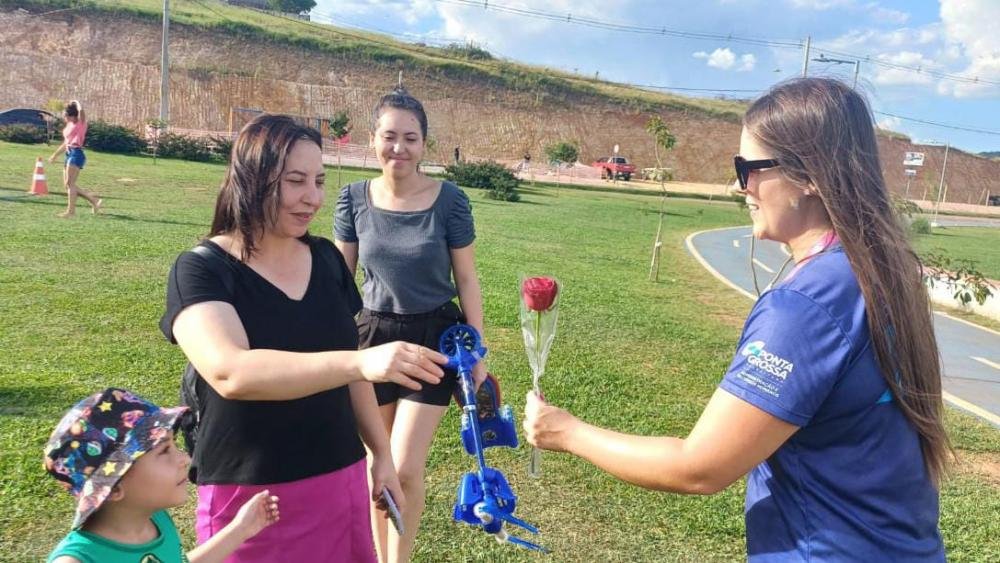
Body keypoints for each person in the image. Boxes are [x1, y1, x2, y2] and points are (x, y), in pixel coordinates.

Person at [523, 78, 949, 561]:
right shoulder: (880, 272)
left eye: (748, 167)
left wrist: (567, 432)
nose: (739, 185)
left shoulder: (805, 305)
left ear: (809, 175)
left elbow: (699, 468)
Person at [160, 114, 447, 562]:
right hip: (252, 496)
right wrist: (358, 364)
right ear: (251, 178)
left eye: (319, 181)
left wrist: (382, 457)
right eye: (295, 181)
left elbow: (350, 364)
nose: (311, 198)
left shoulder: (326, 259)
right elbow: (230, 372)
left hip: (339, 476)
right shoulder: (202, 269)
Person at [334, 87, 486, 563]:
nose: (398, 148)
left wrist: (476, 353)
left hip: (435, 340)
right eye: (389, 136)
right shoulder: (353, 198)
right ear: (373, 139)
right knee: (376, 467)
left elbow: (466, 278)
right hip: (373, 338)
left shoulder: (450, 202)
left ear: (424, 146)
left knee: (403, 466)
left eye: (411, 138)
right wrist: (334, 350)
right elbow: (341, 282)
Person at [45, 387, 280, 563]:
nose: (185, 459)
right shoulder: (79, 560)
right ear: (113, 486)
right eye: (165, 450)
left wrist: (240, 529)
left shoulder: (155, 521)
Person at [48, 100, 101, 217]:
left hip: (76, 153)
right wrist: (55, 155)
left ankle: (71, 212)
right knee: (67, 185)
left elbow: (81, 112)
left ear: (72, 116)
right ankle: (93, 200)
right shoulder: (69, 125)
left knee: (70, 184)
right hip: (69, 153)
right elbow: (65, 143)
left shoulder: (80, 124)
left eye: (66, 116)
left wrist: (76, 102)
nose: (64, 118)